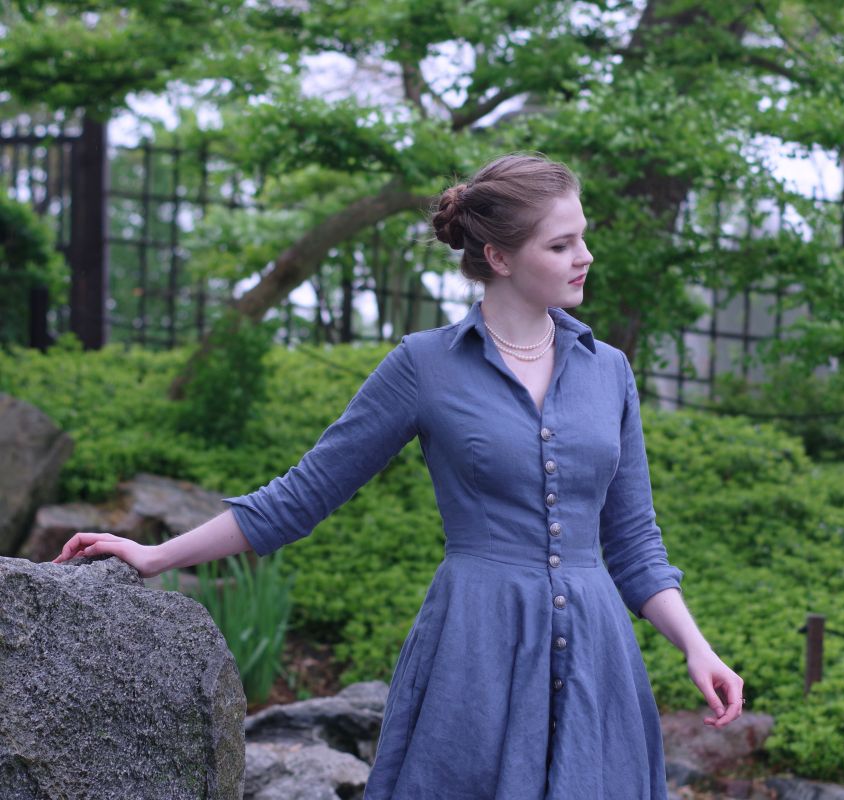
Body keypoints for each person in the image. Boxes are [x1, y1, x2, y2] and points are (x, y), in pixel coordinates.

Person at [54, 153, 744, 799]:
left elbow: (632, 542)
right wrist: (155, 555)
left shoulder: (609, 371)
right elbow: (301, 496)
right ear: (499, 257)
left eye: (581, 238)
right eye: (560, 245)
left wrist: (696, 647)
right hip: (477, 653)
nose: (584, 256)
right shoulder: (424, 367)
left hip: (599, 660)